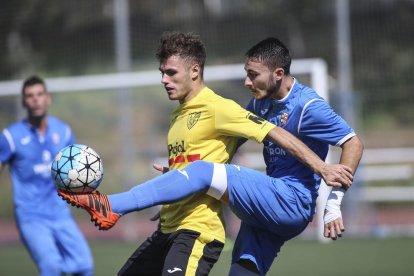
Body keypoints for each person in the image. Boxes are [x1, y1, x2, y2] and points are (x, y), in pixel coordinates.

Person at [58, 34, 359, 276]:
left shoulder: (309, 106)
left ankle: (112, 205)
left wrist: (332, 201)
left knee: (203, 171)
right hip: (267, 205)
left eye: (253, 75)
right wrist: (178, 181)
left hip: (290, 200)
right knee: (245, 268)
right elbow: (224, 148)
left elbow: (352, 143)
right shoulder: (259, 104)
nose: (246, 82)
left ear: (278, 74)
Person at [0, 76, 94, 276]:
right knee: (51, 266)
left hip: (60, 213)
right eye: (30, 96)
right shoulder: (11, 137)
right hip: (30, 216)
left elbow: (76, 172)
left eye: (39, 94)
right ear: (24, 101)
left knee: (84, 265)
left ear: (48, 98)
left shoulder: (63, 131)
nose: (35, 99)